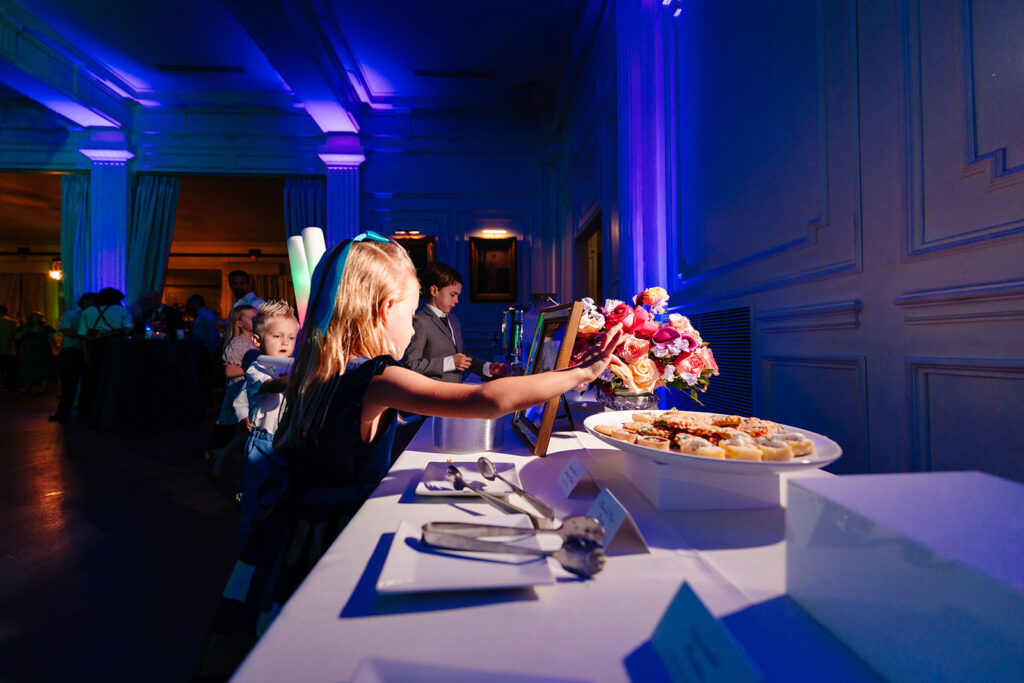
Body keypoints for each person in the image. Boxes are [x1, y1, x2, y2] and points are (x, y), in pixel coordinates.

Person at [239, 300, 298, 548]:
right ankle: (251, 553)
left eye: (291, 337)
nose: (285, 342)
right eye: (277, 336)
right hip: (264, 444)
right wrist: (295, 380)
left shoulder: (296, 366)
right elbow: (271, 386)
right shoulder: (256, 368)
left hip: (291, 440)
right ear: (257, 340)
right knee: (257, 501)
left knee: (287, 500)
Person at [402, 261, 507, 382]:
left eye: (458, 295)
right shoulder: (420, 322)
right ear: (434, 291)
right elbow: (411, 365)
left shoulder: (454, 320)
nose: (456, 301)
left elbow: (463, 356)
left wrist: (487, 368)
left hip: (455, 390)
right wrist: (449, 363)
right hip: (432, 392)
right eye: (452, 295)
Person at [209, 304, 258, 474]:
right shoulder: (239, 343)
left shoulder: (255, 341)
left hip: (250, 391)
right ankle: (221, 455)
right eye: (252, 318)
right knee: (249, 430)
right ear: (239, 323)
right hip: (239, 391)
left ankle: (224, 456)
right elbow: (230, 371)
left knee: (250, 430)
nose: (257, 320)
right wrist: (256, 368)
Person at [77, 288, 133, 415]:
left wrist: (94, 338)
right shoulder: (121, 310)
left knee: (94, 378)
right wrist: (109, 333)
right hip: (116, 346)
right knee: (114, 377)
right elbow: (128, 329)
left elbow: (81, 333)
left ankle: (91, 409)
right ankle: (113, 409)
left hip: (94, 347)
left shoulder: (88, 311)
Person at [50, 292, 96, 421]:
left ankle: (69, 412)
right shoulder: (71, 315)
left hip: (74, 351)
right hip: (74, 351)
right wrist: (86, 336)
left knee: (79, 384)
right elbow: (65, 330)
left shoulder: (71, 315)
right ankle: (74, 412)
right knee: (73, 384)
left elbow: (66, 330)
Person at [15, 311, 55, 394]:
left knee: (43, 369)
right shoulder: (26, 327)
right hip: (29, 351)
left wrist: (56, 345)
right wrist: (24, 331)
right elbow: (17, 337)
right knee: (28, 368)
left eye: (38, 316)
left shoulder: (46, 328)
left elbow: (52, 338)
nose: (36, 318)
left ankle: (43, 388)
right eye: (34, 316)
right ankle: (27, 387)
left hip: (42, 350)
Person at [0, 304, 17, 391]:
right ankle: (10, 387)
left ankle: (1, 385)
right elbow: (16, 336)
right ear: (7, 311)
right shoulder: (12, 322)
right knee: (10, 370)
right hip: (9, 349)